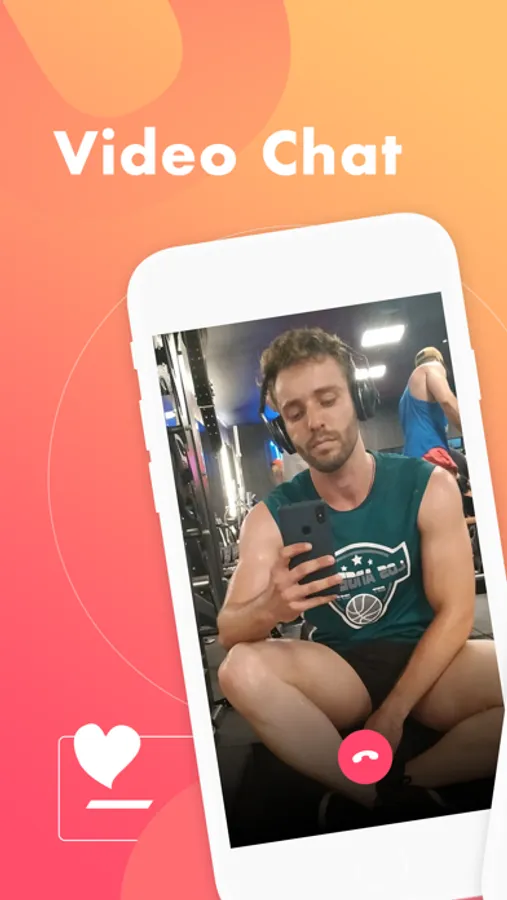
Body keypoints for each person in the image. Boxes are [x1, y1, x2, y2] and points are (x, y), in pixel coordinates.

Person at [217, 327, 502, 827]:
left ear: (359, 398)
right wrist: (270, 608)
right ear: (283, 430)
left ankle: (408, 784)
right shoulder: (271, 516)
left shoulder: (428, 486)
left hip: (431, 662)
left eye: (327, 399)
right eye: (295, 412)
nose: (315, 421)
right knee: (238, 668)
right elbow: (228, 630)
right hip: (337, 673)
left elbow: (458, 612)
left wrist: (393, 713)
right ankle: (362, 793)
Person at [399, 347, 462, 475]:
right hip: (430, 453)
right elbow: (447, 401)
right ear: (439, 360)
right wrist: (474, 435)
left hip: (411, 458)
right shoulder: (432, 367)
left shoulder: (406, 397)